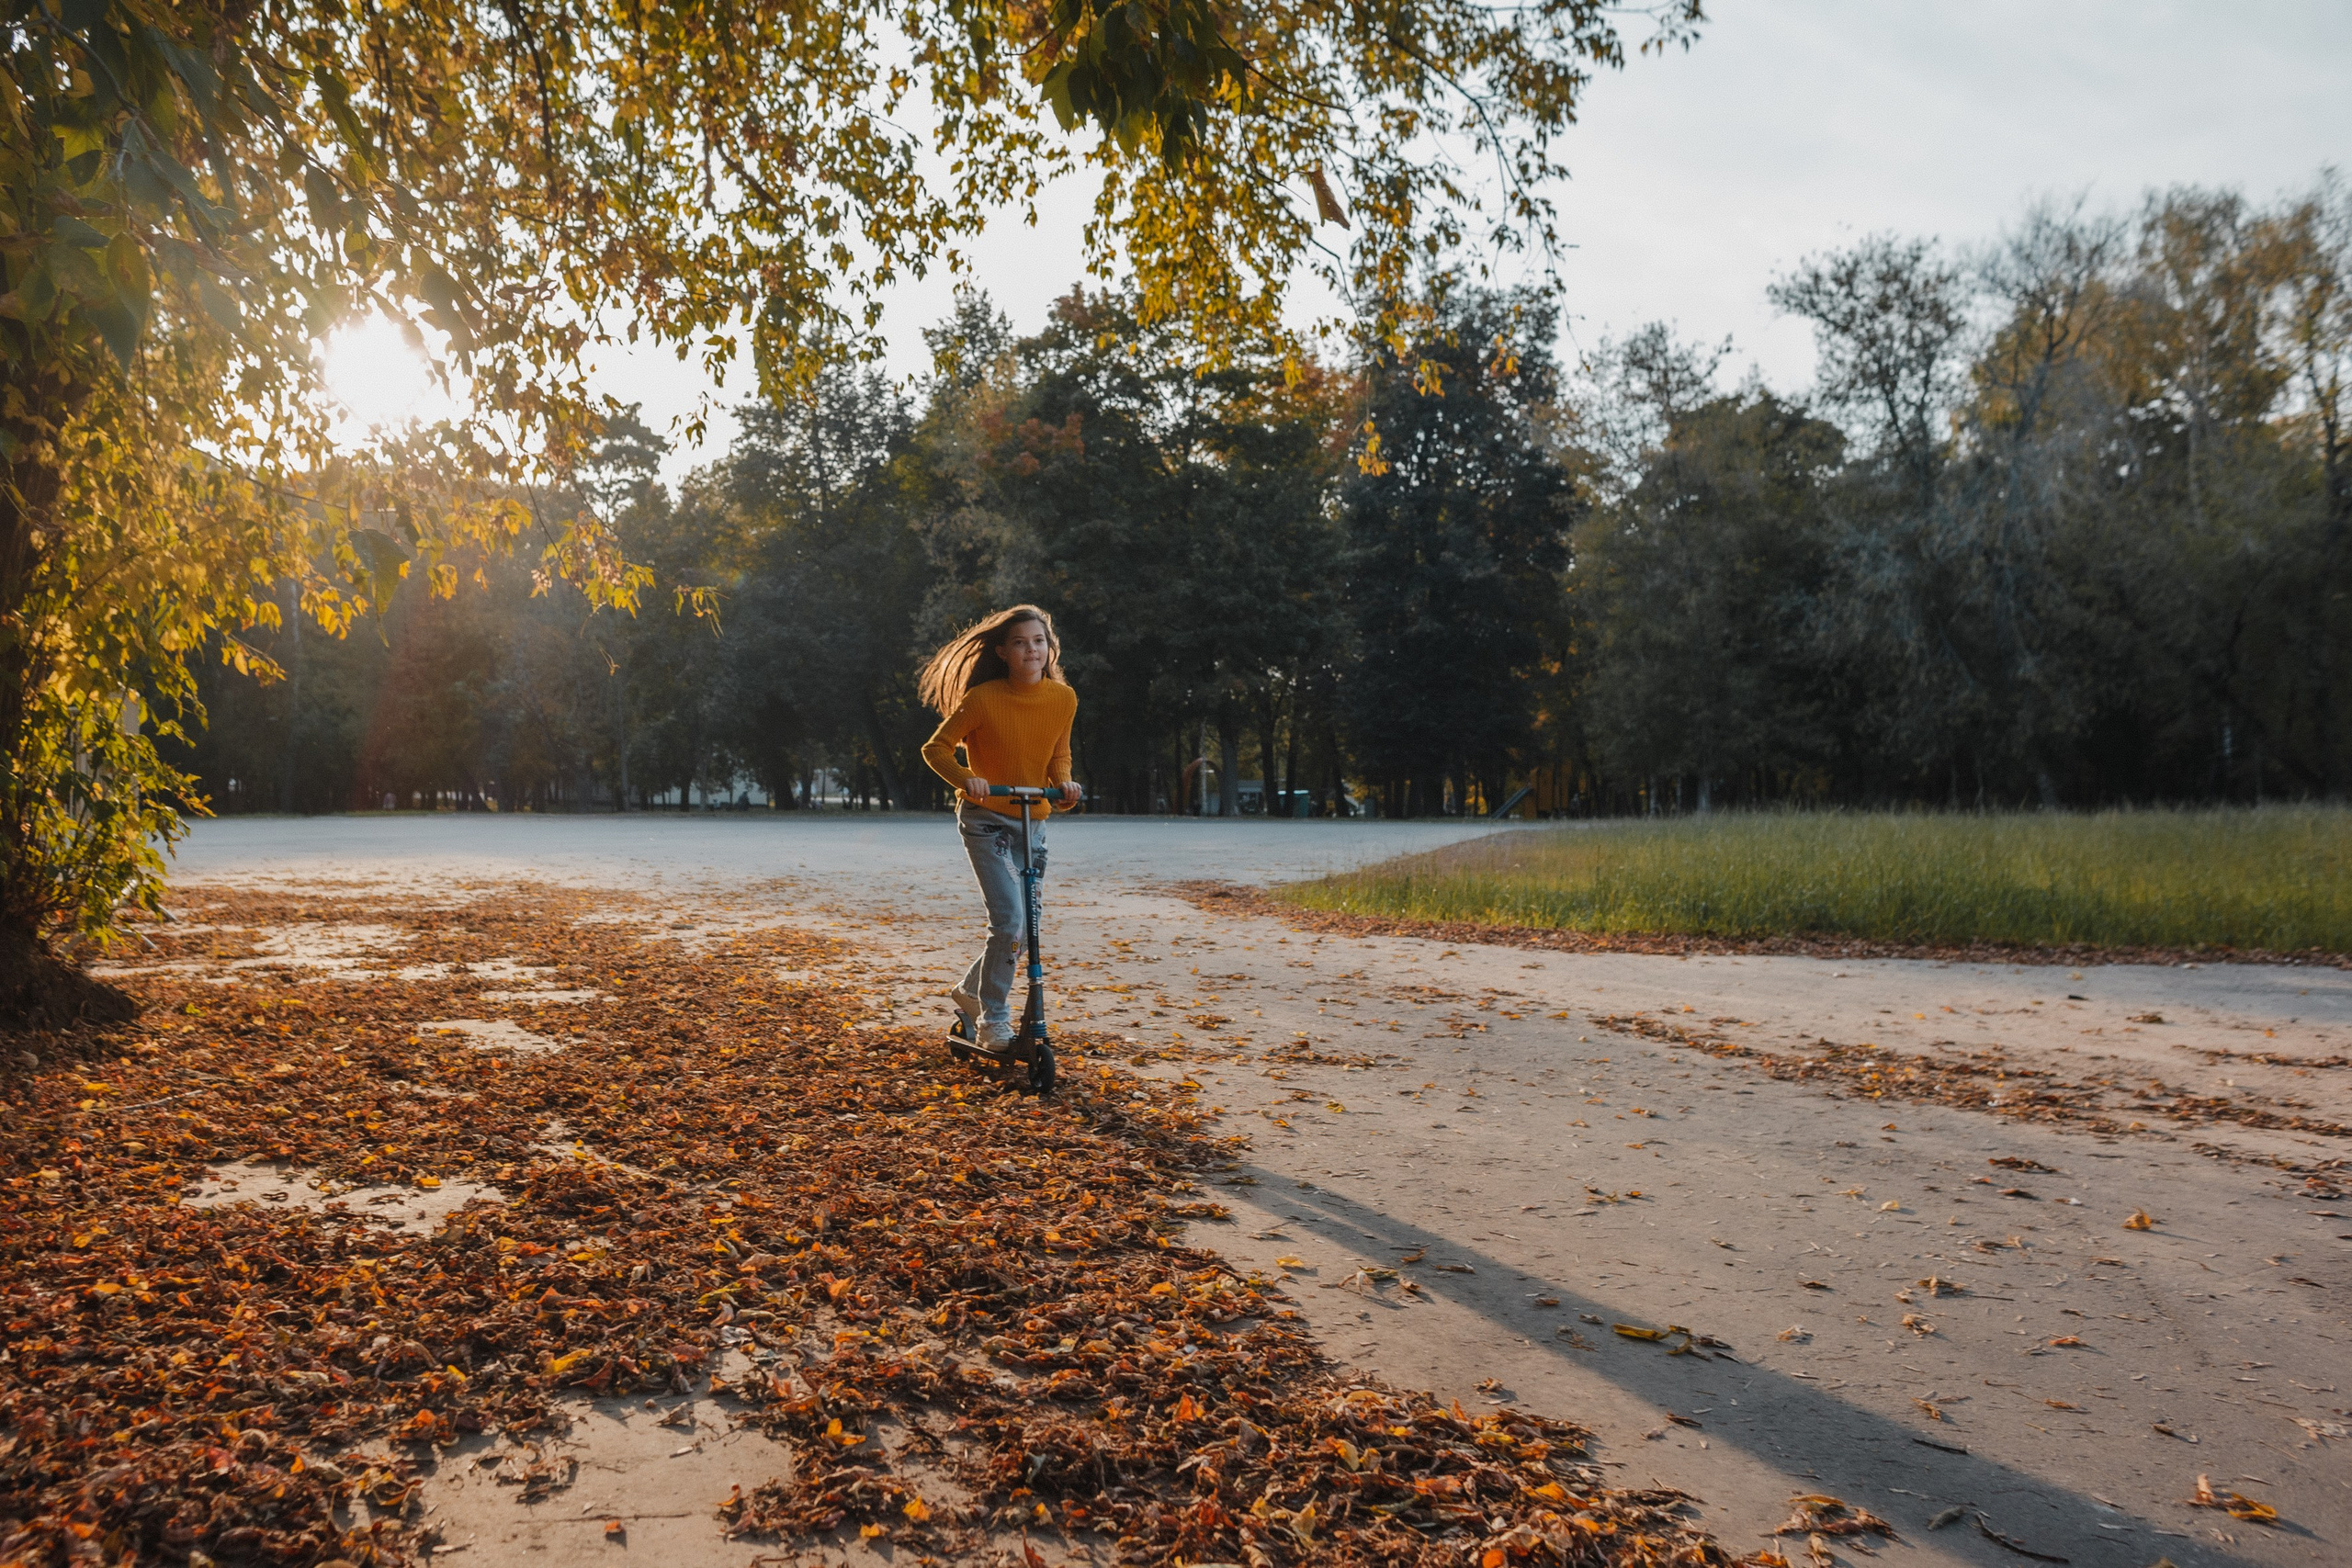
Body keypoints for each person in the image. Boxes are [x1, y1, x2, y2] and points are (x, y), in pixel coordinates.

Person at [917, 605, 1083, 1048]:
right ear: (1003, 652)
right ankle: (993, 1020)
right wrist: (965, 779)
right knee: (1010, 921)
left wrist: (1063, 785)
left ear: (1049, 648)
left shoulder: (1063, 699)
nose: (1032, 649)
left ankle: (971, 992)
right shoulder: (983, 699)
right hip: (986, 821)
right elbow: (936, 749)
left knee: (1024, 929)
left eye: (1039, 641)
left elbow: (1057, 756)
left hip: (1034, 824)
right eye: (1020, 642)